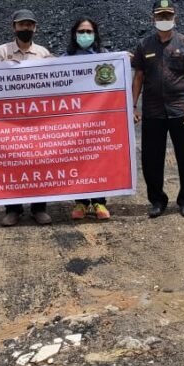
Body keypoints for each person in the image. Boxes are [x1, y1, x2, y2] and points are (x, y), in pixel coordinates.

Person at [132, 0, 184, 218]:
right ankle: (157, 200)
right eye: (160, 16)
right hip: (153, 111)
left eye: (168, 16)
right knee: (151, 158)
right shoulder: (144, 45)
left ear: (175, 18)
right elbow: (138, 78)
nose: (164, 20)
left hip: (180, 110)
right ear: (153, 18)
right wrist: (132, 105)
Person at [0, 9, 54, 226]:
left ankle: (39, 208)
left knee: (38, 162)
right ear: (14, 27)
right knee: (12, 163)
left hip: (37, 119)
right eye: (21, 25)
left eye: (29, 25)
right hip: (11, 119)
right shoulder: (2, 52)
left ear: (35, 28)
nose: (25, 28)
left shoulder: (43, 53)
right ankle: (13, 209)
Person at [66, 16, 113, 221]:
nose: (85, 35)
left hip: (97, 118)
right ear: (74, 34)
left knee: (97, 158)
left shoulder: (105, 57)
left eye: (89, 31)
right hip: (74, 120)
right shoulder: (65, 58)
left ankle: (99, 202)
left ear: (95, 34)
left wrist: (124, 59)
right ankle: (81, 202)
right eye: (81, 32)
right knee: (77, 159)